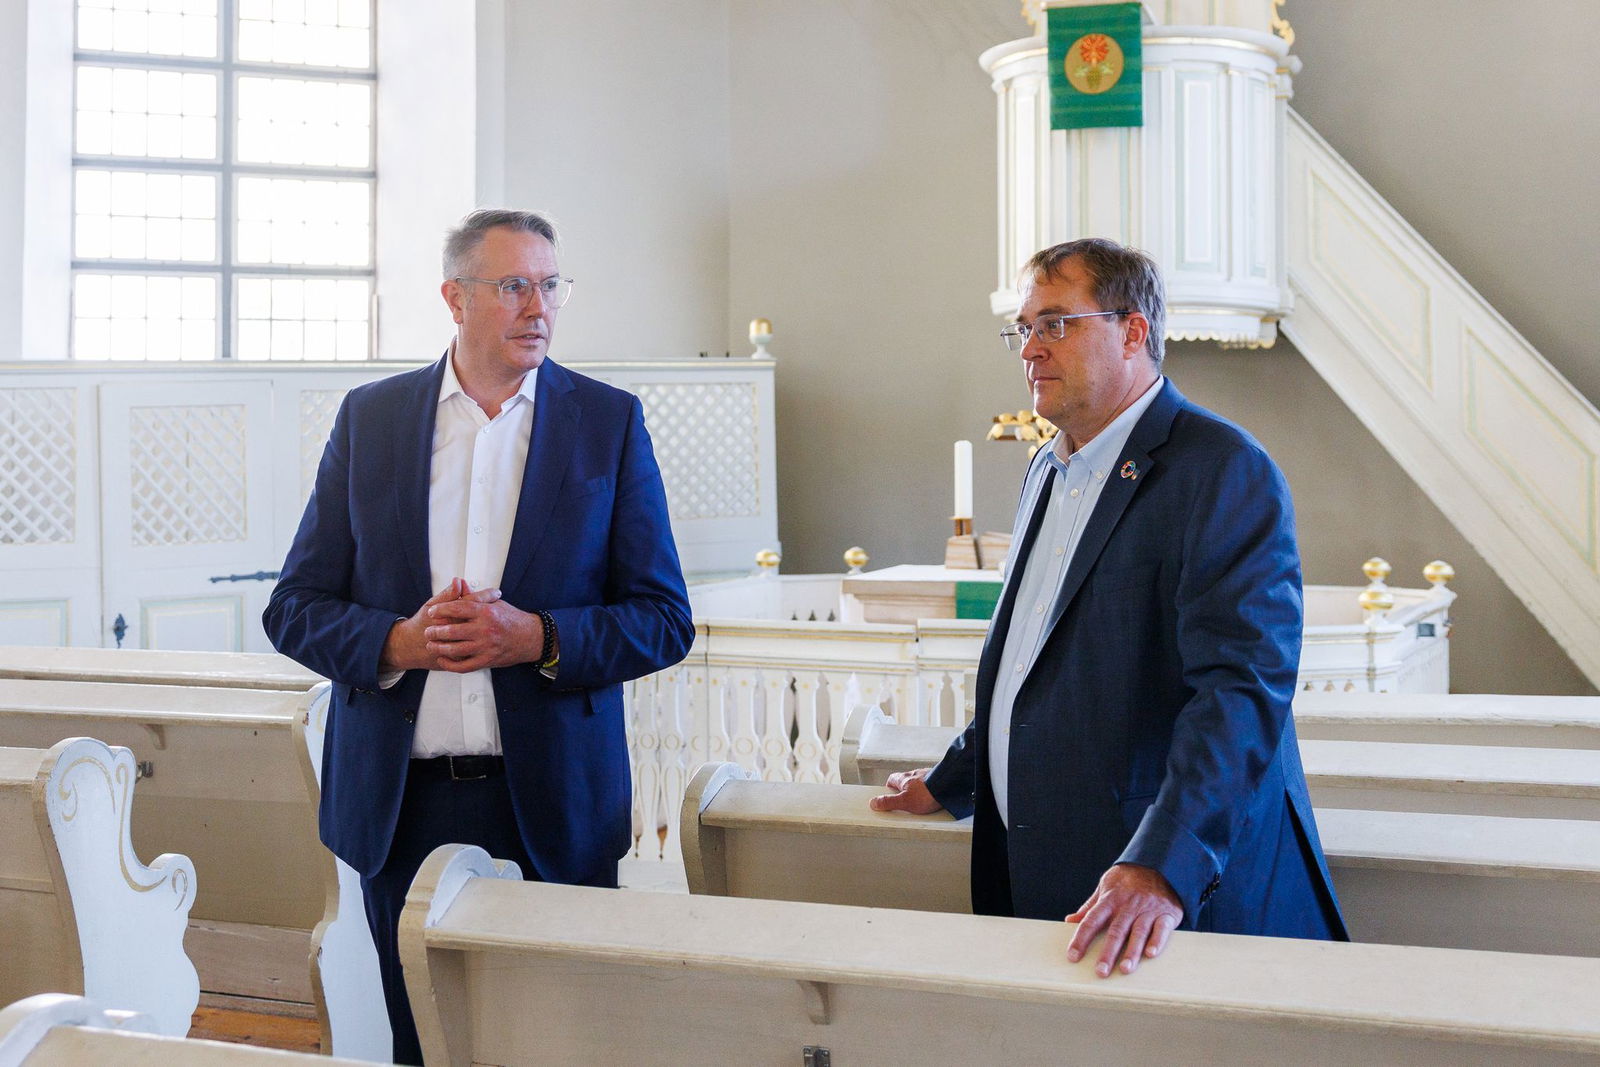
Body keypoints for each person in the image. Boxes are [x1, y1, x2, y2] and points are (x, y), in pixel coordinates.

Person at [264, 208, 694, 1064]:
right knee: (421, 1044)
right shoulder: (372, 420)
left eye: (550, 285)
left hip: (553, 806)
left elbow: (663, 617)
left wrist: (534, 636)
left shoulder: (606, 423)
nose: (539, 306)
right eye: (513, 286)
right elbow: (294, 604)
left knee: (558, 1044)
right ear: (455, 298)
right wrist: (399, 643)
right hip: (401, 804)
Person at [871, 237, 1347, 978]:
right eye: (1023, 327)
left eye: (1055, 323)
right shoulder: (1047, 466)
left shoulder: (1222, 469)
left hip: (1164, 901)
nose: (1030, 347)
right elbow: (1038, 661)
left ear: (1134, 331)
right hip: (1043, 868)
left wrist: (1163, 866)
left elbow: (1241, 692)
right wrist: (956, 777)